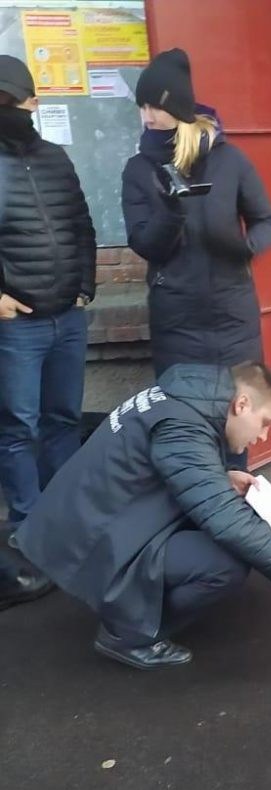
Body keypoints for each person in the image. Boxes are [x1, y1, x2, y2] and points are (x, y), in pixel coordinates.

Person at [13, 362, 271, 670]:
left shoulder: (182, 399)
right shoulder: (183, 427)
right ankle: (128, 635)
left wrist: (221, 477)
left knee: (228, 520)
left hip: (96, 520)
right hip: (93, 539)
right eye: (265, 423)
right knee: (226, 563)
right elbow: (227, 519)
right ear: (242, 404)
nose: (263, 436)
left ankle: (133, 606)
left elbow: (164, 463)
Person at [121, 49, 271, 383]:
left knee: (239, 406)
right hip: (177, 320)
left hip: (233, 315)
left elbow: (266, 220)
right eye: (142, 107)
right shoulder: (139, 169)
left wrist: (247, 247)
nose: (147, 117)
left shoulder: (230, 160)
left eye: (155, 107)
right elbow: (144, 243)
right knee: (185, 410)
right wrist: (171, 214)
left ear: (177, 107)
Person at [0, 54, 96, 532]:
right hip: (18, 325)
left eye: (9, 101)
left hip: (67, 318)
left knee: (64, 420)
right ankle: (28, 525)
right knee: (19, 428)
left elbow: (82, 225)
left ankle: (62, 520)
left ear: (32, 103)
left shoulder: (56, 158)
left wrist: (84, 288)